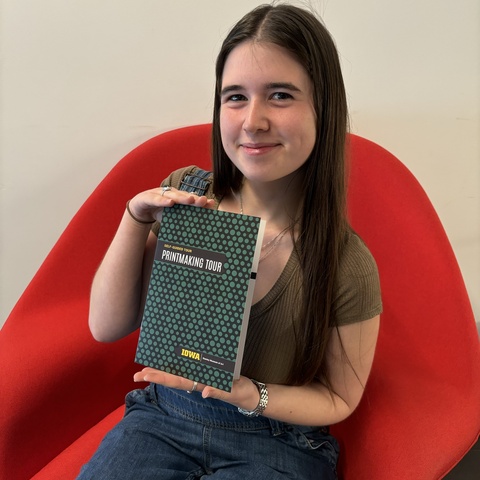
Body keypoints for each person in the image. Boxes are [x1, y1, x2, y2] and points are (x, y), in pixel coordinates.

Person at [78, 3, 382, 479]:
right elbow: (106, 326)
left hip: (276, 438)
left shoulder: (346, 261)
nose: (252, 121)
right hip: (162, 418)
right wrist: (133, 218)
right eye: (235, 96)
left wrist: (250, 395)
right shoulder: (186, 199)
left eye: (280, 95)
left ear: (324, 106)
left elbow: (339, 397)